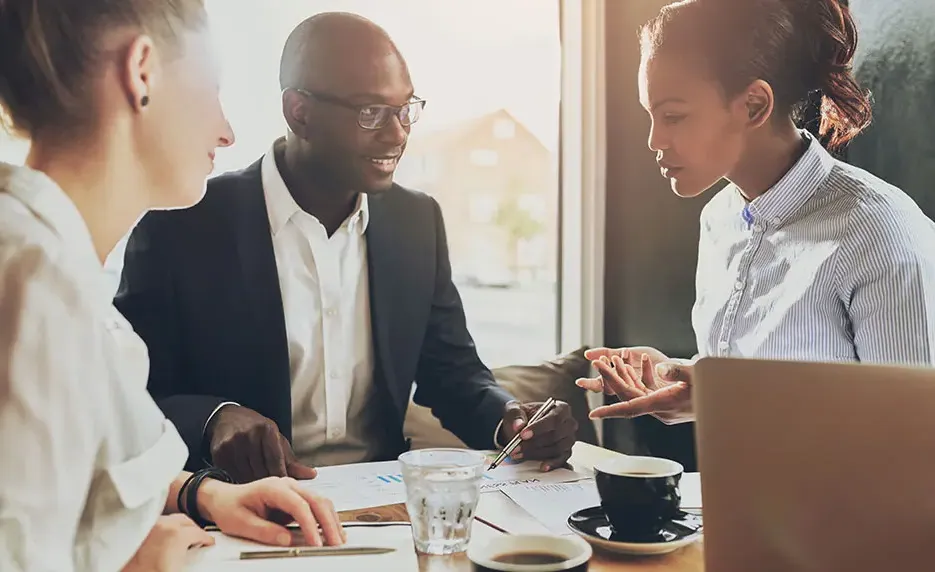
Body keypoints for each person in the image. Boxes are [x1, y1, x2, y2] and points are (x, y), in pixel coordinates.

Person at [114, 12, 578, 484]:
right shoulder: (182, 224)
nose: (397, 134)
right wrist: (216, 417)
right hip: (240, 505)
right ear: (299, 112)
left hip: (384, 499)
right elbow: (130, 392)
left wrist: (512, 419)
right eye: (370, 112)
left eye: (405, 110)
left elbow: (454, 372)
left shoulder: (416, 222)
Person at [0, 1, 345, 570]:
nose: (228, 131)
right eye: (211, 88)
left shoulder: (64, 276)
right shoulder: (35, 288)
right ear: (142, 71)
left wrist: (208, 494)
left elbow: (89, 467)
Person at [578, 0, 935, 424]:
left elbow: (914, 429)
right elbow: (759, 394)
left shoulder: (878, 230)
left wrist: (728, 396)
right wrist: (687, 387)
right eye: (651, 116)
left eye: (673, 116)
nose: (655, 140)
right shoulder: (719, 220)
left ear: (753, 106)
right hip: (737, 490)